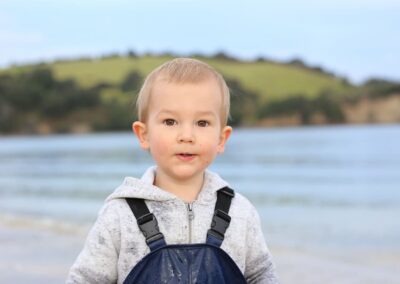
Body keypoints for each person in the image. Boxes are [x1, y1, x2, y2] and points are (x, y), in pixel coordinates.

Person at [67, 58, 278, 283]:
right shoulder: (120, 215)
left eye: (202, 123)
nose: (186, 135)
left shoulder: (240, 212)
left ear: (221, 138)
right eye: (170, 122)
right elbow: (85, 279)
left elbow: (261, 274)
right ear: (144, 135)